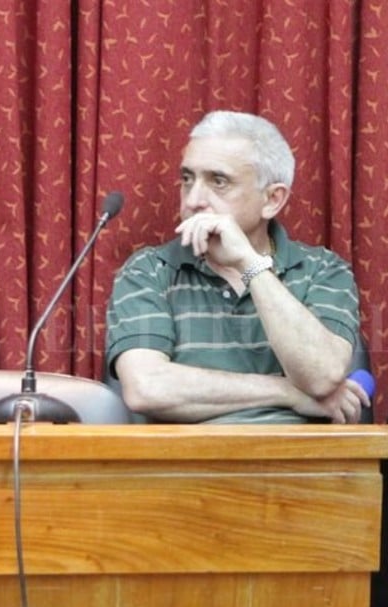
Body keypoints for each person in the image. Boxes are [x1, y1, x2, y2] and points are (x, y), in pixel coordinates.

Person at [105, 110, 368, 424]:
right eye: (187, 179)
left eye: (219, 182)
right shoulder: (149, 270)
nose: (193, 200)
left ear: (272, 200)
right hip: (187, 455)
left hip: (298, 453)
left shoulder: (322, 270)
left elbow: (321, 377)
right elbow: (146, 388)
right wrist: (287, 392)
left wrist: (250, 264)